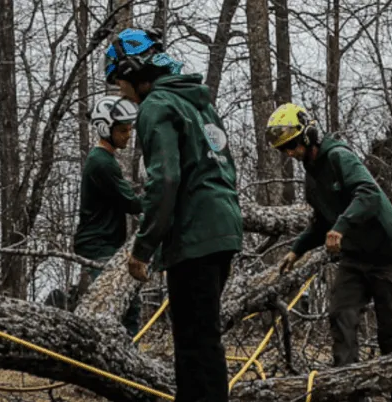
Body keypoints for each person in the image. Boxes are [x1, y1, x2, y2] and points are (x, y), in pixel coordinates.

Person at [104, 27, 243, 402]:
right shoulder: (200, 104)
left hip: (194, 236)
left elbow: (164, 179)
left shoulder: (157, 106)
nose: (120, 90)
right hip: (225, 228)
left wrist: (144, 247)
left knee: (193, 345)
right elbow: (225, 168)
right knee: (205, 339)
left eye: (119, 80)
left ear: (134, 70)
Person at [267, 103, 392, 402]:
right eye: (284, 150)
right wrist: (296, 251)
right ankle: (349, 394)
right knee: (340, 317)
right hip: (355, 259)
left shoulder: (339, 157)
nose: (290, 154)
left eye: (292, 146)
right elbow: (322, 222)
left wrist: (341, 227)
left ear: (308, 136)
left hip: (387, 256)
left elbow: (368, 193)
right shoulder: (311, 179)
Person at [73, 95, 142, 335]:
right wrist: (160, 198)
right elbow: (130, 202)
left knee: (124, 301)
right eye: (123, 130)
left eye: (130, 129)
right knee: (121, 303)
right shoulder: (101, 162)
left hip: (106, 243)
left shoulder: (105, 160)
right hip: (98, 244)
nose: (128, 134)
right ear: (105, 128)